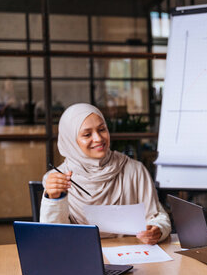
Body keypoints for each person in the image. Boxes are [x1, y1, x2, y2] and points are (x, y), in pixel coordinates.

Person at [40, 103, 170, 244]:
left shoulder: (134, 170)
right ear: (70, 140)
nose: (98, 138)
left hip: (132, 254)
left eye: (102, 129)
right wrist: (53, 198)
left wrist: (157, 229)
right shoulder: (56, 180)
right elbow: (54, 236)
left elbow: (157, 216)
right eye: (87, 134)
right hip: (81, 254)